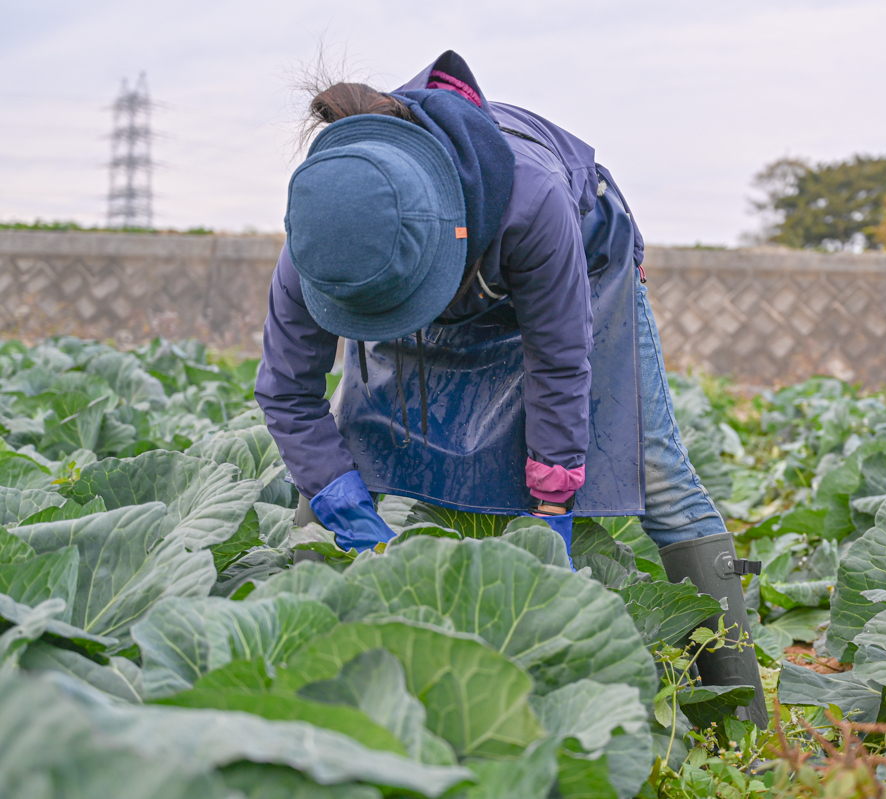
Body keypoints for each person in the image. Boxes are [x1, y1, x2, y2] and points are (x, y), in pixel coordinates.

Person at [255, 51, 766, 727]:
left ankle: (739, 720)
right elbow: (287, 390)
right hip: (432, 266)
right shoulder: (323, 244)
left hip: (583, 260)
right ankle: (305, 687)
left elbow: (560, 356)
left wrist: (553, 500)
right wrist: (337, 498)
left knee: (653, 464)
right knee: (348, 450)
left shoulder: (531, 197)